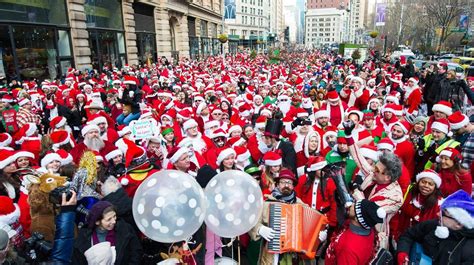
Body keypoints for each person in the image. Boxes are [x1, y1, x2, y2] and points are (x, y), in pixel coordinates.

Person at [249, 169, 310, 264]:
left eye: (289, 183)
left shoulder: (300, 205)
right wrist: (259, 229)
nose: (286, 185)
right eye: (283, 182)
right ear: (277, 184)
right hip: (272, 256)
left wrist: (318, 234)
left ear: (293, 186)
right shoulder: (266, 202)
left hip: (294, 255)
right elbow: (252, 222)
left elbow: (311, 224)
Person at [397, 190, 474, 265]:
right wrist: (403, 252)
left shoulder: (469, 249)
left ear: (459, 223)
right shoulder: (434, 224)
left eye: (442, 214)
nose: (437, 214)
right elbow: (408, 235)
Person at [72, 201, 142, 264]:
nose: (114, 221)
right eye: (109, 219)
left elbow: (136, 253)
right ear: (97, 222)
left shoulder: (125, 229)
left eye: (114, 216)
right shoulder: (83, 238)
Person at [325, 199, 386, 265]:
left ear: (357, 219)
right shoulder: (368, 230)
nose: (351, 205)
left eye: (354, 206)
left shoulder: (348, 250)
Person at [390, 170, 443, 242]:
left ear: (435, 187)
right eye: (423, 182)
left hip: (420, 242)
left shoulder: (438, 204)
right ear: (418, 182)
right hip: (402, 237)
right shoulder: (409, 194)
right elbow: (398, 214)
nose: (426, 186)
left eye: (430, 184)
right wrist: (394, 233)